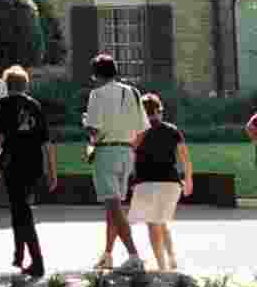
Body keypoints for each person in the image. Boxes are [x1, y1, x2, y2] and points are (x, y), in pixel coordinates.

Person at [0, 65, 57, 278]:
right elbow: (47, 143)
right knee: (19, 208)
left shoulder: (4, 104)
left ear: (7, 86)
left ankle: (37, 261)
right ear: (25, 85)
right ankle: (19, 254)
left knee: (21, 211)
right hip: (34, 165)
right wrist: (52, 172)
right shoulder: (34, 105)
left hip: (13, 164)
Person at [83, 53, 150, 273]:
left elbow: (93, 130)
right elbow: (142, 130)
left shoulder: (97, 94)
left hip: (106, 152)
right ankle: (108, 254)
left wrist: (86, 124)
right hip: (127, 152)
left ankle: (134, 256)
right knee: (115, 208)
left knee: (113, 207)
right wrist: (130, 148)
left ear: (96, 74)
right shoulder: (133, 92)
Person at [127, 93, 193, 271]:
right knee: (161, 222)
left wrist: (130, 179)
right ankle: (171, 258)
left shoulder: (137, 132)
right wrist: (189, 179)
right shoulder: (172, 129)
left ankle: (162, 267)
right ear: (157, 110)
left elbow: (130, 157)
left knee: (153, 224)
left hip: (146, 182)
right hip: (171, 184)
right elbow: (185, 158)